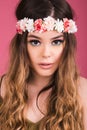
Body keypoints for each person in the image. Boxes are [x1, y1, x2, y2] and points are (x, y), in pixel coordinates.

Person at [0, 0, 87, 129]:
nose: (46, 54)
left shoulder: (83, 92)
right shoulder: (3, 88)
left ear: (67, 45)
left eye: (56, 42)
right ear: (22, 46)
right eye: (35, 42)